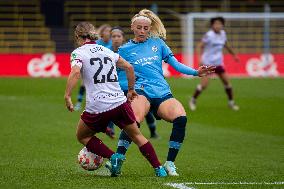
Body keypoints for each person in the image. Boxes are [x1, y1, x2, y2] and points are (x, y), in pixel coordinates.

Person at [113, 9, 215, 176]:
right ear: (132, 27)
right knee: (134, 120)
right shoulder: (124, 50)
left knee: (181, 118)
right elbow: (118, 75)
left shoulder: (158, 43)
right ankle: (118, 158)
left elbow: (176, 64)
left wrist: (196, 72)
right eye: (139, 27)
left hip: (161, 91)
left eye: (146, 28)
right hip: (141, 91)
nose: (142, 31)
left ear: (149, 28)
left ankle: (170, 163)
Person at [64, 22, 167, 177]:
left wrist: (67, 95)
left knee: (83, 136)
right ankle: (159, 169)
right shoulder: (107, 51)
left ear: (78, 36)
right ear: (93, 35)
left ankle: (114, 157)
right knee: (137, 135)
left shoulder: (78, 53)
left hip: (98, 106)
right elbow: (130, 68)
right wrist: (131, 90)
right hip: (119, 102)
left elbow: (76, 73)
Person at [111, 26, 159, 139]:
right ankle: (111, 131)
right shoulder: (106, 52)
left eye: (118, 36)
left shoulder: (130, 50)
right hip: (116, 87)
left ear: (123, 38)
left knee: (145, 110)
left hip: (131, 86)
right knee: (111, 109)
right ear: (111, 38)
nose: (116, 38)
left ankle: (153, 132)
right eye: (114, 36)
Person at [189, 17, 240, 111]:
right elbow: (199, 46)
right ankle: (192, 100)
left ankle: (231, 103)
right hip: (208, 64)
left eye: (220, 24)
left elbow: (226, 45)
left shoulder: (223, 34)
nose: (218, 26)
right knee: (204, 85)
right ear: (212, 25)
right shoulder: (209, 35)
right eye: (216, 24)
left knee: (227, 83)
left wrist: (234, 55)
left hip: (219, 63)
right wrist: (199, 59)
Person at [74, 24, 115, 139]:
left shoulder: (112, 44)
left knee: (108, 103)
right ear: (102, 33)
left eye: (110, 32)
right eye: (107, 31)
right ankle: (79, 102)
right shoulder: (98, 44)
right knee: (85, 84)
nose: (109, 34)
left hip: (108, 74)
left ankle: (106, 127)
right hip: (94, 72)